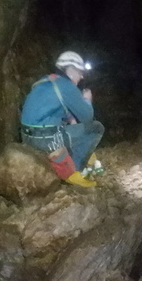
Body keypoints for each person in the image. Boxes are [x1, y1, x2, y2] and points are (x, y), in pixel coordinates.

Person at [20, 51, 105, 187]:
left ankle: (66, 158)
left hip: (26, 136)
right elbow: (87, 117)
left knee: (68, 127)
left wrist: (71, 120)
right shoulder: (66, 85)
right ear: (70, 69)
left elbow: (54, 109)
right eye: (80, 72)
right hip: (45, 139)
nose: (82, 76)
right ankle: (75, 172)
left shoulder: (46, 81)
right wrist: (87, 100)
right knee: (96, 128)